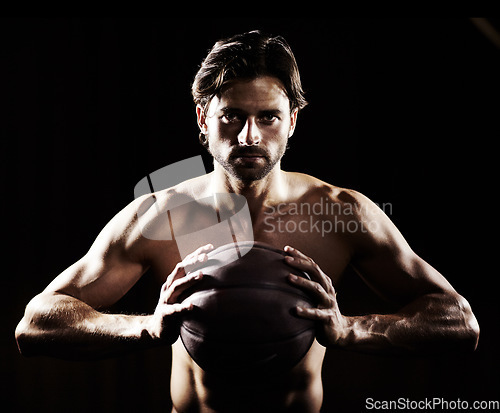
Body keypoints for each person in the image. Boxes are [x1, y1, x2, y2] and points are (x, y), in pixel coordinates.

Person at [15, 30, 479, 413]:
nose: (249, 135)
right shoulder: (160, 215)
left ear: (293, 121)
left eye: (268, 118)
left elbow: (459, 324)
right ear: (203, 118)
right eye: (232, 117)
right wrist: (147, 328)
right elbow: (35, 325)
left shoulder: (342, 212)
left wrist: (350, 329)